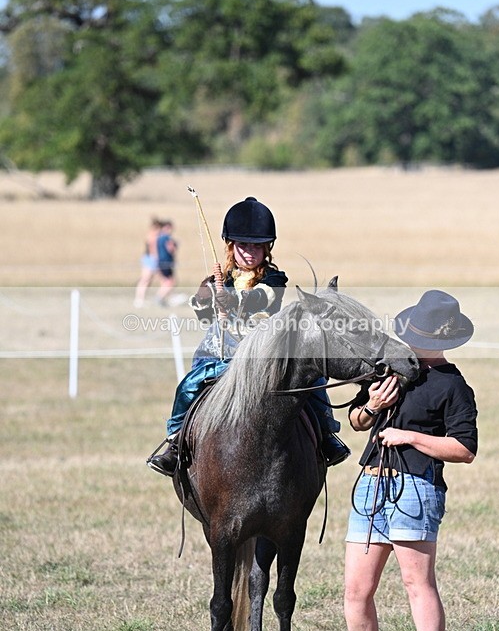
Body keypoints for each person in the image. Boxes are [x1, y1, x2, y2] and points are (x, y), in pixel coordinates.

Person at [324, 290, 478, 631]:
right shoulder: (386, 371)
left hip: (416, 487)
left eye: (416, 333)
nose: (408, 339)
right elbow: (355, 421)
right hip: (372, 486)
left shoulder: (453, 386)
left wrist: (409, 436)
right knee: (356, 589)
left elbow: (464, 449)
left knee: (416, 584)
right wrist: (373, 404)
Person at [147, 196, 350, 477]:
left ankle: (328, 436)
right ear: (231, 245)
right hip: (222, 356)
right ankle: (176, 443)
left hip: (264, 356)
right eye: (243, 245)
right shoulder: (218, 281)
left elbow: (263, 299)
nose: (250, 252)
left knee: (313, 380)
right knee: (188, 386)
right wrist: (207, 297)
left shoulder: (274, 278)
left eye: (257, 246)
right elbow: (203, 316)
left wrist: (233, 300)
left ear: (267, 248)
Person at [134, 217, 162, 308]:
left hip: (149, 258)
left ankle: (141, 299)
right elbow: (153, 249)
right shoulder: (153, 235)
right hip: (150, 258)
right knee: (145, 279)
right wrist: (157, 258)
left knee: (148, 280)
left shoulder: (151, 234)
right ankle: (139, 299)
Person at [156, 220, 178, 306]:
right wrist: (175, 246)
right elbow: (171, 249)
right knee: (171, 282)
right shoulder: (167, 238)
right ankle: (159, 298)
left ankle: (163, 299)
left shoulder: (159, 237)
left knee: (165, 282)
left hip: (160, 262)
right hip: (166, 262)